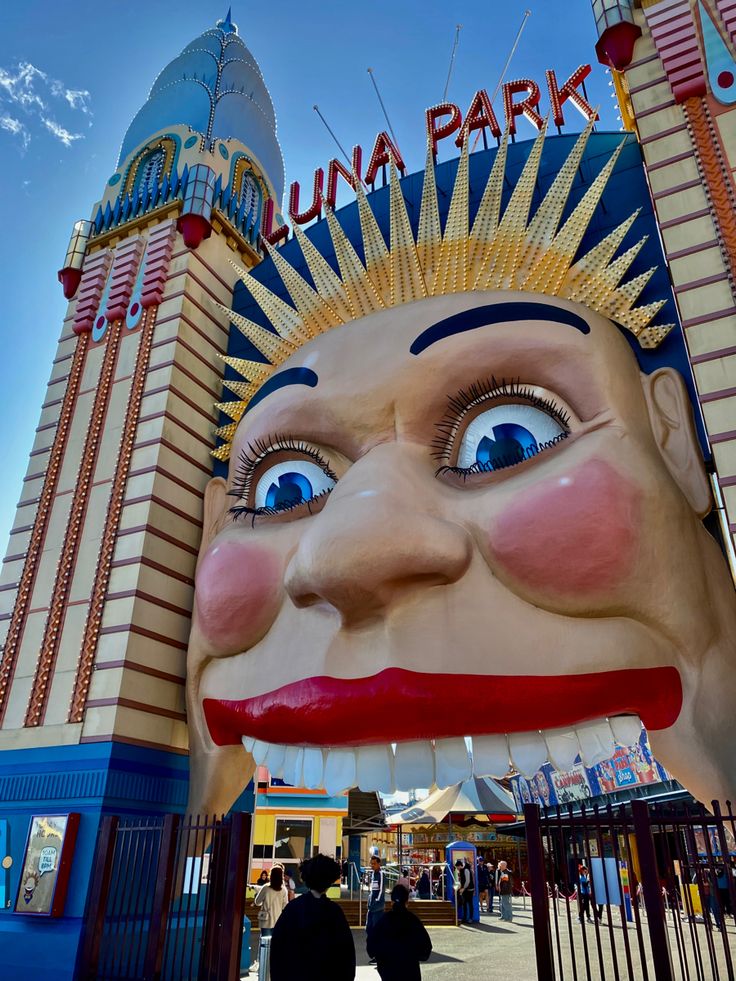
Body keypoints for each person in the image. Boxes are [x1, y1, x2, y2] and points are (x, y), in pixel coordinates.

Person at [270, 854, 355, 981]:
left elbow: (278, 948)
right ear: (330, 881)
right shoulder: (335, 912)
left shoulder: (293, 909)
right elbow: (346, 955)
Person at [367, 884, 432, 981]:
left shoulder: (383, 920)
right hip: (410, 973)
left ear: (391, 902)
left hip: (388, 973)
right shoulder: (413, 920)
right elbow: (426, 949)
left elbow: (371, 947)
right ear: (407, 902)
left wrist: (382, 957)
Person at [254, 865, 288, 937]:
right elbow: (285, 907)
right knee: (275, 945)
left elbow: (257, 902)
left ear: (271, 875)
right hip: (278, 921)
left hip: (266, 921)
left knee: (265, 945)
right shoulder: (284, 890)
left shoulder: (266, 888)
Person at [366, 855, 386, 960]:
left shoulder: (381, 874)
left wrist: (376, 902)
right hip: (371, 908)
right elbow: (372, 891)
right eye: (371, 863)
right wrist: (369, 902)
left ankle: (378, 955)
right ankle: (374, 953)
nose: (372, 865)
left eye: (374, 864)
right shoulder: (372, 874)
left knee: (376, 931)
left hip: (377, 908)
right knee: (369, 929)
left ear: (379, 864)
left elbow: (381, 891)